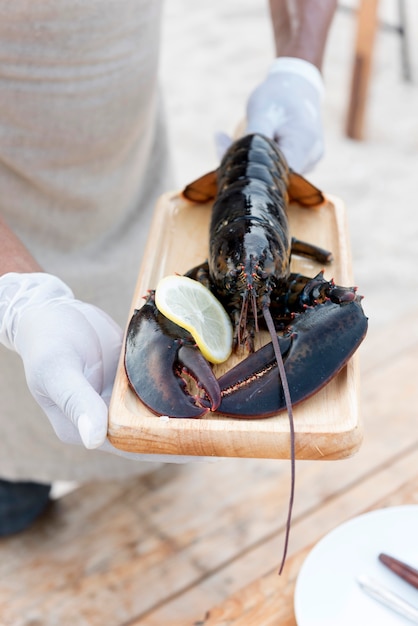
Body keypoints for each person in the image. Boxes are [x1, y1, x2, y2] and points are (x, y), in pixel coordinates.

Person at [0, 0, 337, 535]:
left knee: (168, 459)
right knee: (14, 499)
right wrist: (20, 297)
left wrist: (299, 64)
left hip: (131, 160)